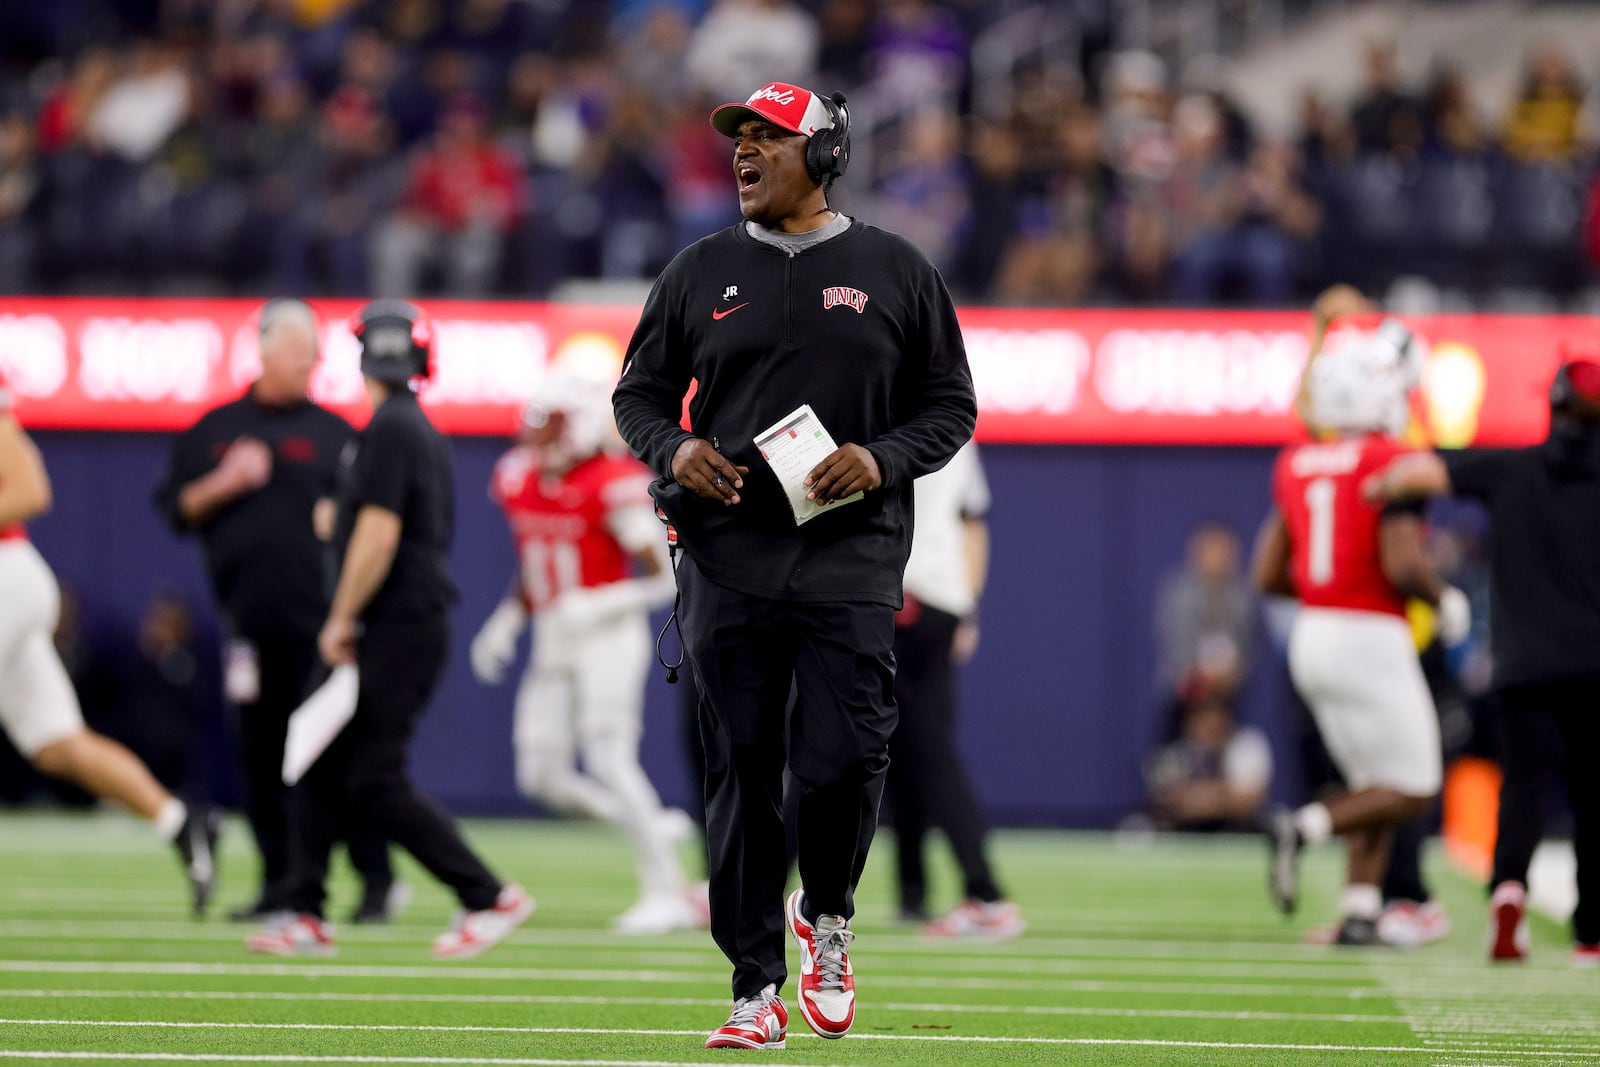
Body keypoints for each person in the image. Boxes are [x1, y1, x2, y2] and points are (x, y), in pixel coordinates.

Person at [613, 81, 976, 1049]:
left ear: (822, 157)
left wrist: (880, 457)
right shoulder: (696, 270)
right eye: (738, 138)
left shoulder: (897, 269)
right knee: (739, 768)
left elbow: (950, 408)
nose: (743, 152)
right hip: (727, 556)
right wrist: (674, 450)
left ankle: (826, 914)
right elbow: (637, 396)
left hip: (849, 551)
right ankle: (751, 985)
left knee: (846, 755)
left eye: (768, 139)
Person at [247, 299, 532, 958]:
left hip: (392, 621)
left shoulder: (389, 428)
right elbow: (376, 523)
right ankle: (305, 907)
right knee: (316, 752)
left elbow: (380, 531)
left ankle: (488, 893)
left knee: (373, 773)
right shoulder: (405, 426)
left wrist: (342, 615)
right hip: (399, 617)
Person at [157, 298, 400, 924]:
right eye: (299, 352)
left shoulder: (336, 434)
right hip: (250, 626)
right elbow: (173, 509)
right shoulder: (216, 429)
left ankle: (375, 882)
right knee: (260, 759)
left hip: (325, 626)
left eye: (315, 353)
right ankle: (279, 884)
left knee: (339, 754)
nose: (311, 363)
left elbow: (378, 516)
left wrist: (338, 525)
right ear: (264, 350)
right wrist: (224, 483)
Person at [1364, 356, 1600, 966]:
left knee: (1521, 789)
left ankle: (1508, 891)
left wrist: (1370, 482)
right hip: (1595, 664)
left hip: (1524, 662)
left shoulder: (1513, 468)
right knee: (1592, 795)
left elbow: (1416, 471)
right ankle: (1592, 928)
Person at [1250, 287, 1468, 945]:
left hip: (1313, 632)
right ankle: (1305, 825)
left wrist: (1329, 582)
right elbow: (1404, 564)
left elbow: (1267, 573)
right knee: (1416, 785)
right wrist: (1443, 598)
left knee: (1373, 780)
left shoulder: (1298, 461)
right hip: (1369, 631)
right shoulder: (1386, 460)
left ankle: (1360, 908)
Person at [469, 367, 700, 935]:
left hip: (606, 635)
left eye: (546, 425)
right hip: (554, 633)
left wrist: (594, 605)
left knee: (608, 760)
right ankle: (646, 821)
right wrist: (508, 615)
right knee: (540, 775)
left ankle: (665, 889)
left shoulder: (611, 483)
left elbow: (665, 579)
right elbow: (537, 556)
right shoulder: (519, 477)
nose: (534, 438)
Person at [0, 364, 219, 914]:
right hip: (18, 583)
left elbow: (30, 488)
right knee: (57, 744)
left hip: (7, 572)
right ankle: (179, 821)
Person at [884, 440, 1023, 938]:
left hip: (901, 597)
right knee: (907, 750)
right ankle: (913, 890)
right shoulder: (954, 426)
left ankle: (985, 893)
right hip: (939, 598)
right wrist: (967, 606)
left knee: (919, 750)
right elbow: (972, 523)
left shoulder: (875, 406)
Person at [1143, 695, 1273, 833]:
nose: (1202, 724)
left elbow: (1247, 801)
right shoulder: (1181, 750)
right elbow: (1165, 801)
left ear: (1223, 717)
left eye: (1208, 715)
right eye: (1196, 718)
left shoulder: (1246, 743)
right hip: (1188, 832)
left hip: (1237, 831)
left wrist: (1204, 799)